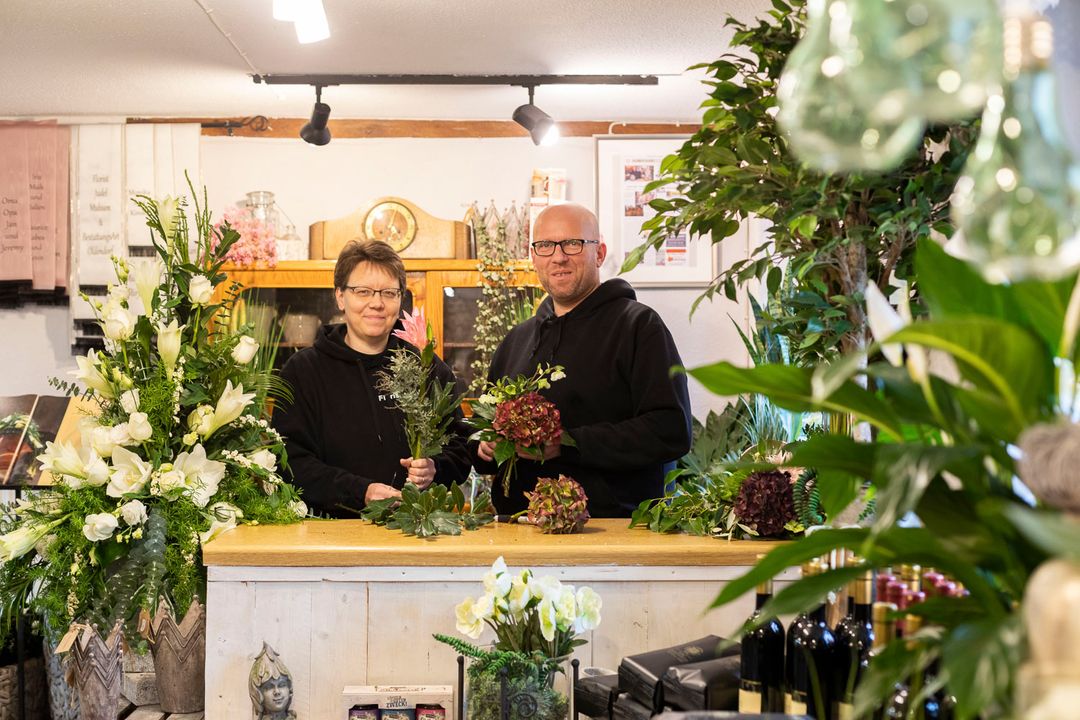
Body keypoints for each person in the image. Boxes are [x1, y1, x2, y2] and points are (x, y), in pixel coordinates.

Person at [477, 203, 692, 517]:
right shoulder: (515, 341)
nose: (559, 256)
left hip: (612, 531)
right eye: (546, 245)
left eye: (573, 244)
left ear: (600, 253)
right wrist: (486, 447)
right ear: (534, 257)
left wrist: (566, 444)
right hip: (519, 528)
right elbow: (487, 428)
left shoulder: (639, 327)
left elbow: (670, 430)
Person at [272, 239, 472, 516]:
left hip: (417, 530)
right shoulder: (303, 371)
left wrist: (435, 469)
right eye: (363, 291)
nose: (376, 303)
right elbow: (289, 461)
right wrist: (360, 492)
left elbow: (461, 450)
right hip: (332, 534)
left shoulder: (426, 366)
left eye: (389, 292)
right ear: (340, 297)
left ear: (401, 298)